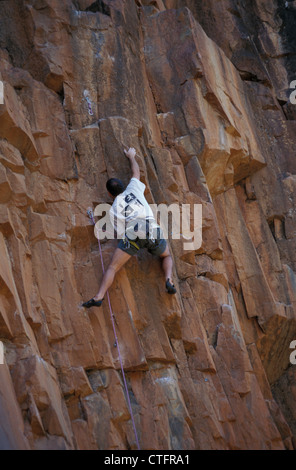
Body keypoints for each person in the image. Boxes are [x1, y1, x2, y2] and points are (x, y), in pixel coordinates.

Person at [82, 147, 176, 308]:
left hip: (133, 232)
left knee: (113, 266)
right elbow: (136, 173)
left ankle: (99, 296)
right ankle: (168, 279)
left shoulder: (113, 209)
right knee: (166, 256)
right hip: (150, 227)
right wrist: (131, 156)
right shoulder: (133, 188)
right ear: (124, 186)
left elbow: (117, 232)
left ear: (110, 195)